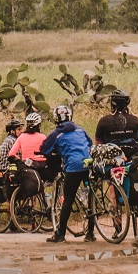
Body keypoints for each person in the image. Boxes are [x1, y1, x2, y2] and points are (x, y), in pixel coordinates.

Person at [40, 104, 95, 243]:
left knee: (68, 200)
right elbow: (90, 142)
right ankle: (91, 233)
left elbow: (44, 148)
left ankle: (60, 234)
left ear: (56, 119)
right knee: (91, 198)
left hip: (73, 166)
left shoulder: (56, 133)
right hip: (88, 163)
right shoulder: (80, 129)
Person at [94, 88, 138, 208]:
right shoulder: (135, 120)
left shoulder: (104, 121)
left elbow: (98, 143)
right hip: (132, 158)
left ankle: (116, 219)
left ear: (112, 104)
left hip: (114, 161)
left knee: (112, 185)